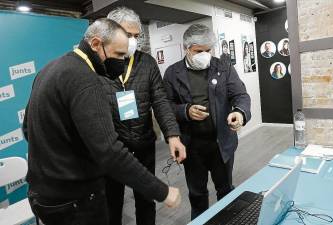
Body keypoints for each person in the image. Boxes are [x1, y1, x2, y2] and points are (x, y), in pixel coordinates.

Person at [22, 18, 181, 225]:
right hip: (76, 201)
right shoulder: (86, 80)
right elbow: (109, 152)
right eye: (118, 55)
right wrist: (162, 191)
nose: (121, 63)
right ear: (96, 44)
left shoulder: (49, 70)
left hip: (43, 197)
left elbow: (27, 129)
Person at [102, 7, 186, 225]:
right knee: (112, 203)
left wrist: (173, 135)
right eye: (127, 35)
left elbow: (160, 100)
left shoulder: (146, 62)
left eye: (136, 36)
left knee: (146, 198)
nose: (132, 41)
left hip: (143, 143)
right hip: (112, 148)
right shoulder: (98, 64)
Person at [163, 24, 251, 220]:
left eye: (208, 50)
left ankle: (228, 220)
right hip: (192, 146)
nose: (204, 54)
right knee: (197, 193)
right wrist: (185, 111)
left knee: (226, 189)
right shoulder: (172, 73)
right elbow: (165, 105)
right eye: (198, 51)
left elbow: (240, 95)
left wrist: (240, 112)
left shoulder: (223, 67)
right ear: (186, 48)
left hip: (221, 143)